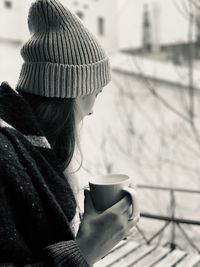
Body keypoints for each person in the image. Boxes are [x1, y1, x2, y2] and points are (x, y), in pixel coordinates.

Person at [0, 0, 140, 266]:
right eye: (96, 93)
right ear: (73, 91)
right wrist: (85, 250)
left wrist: (93, 237)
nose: (92, 112)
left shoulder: (28, 149)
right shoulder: (5, 158)